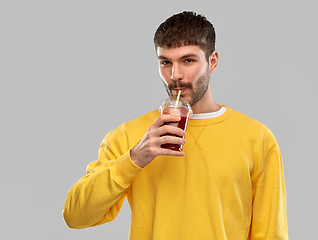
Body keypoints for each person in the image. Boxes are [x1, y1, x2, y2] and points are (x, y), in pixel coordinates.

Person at [63, 11, 289, 239]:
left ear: (212, 61)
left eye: (188, 60)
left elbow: (270, 234)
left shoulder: (257, 138)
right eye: (165, 62)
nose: (175, 75)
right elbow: (75, 216)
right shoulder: (130, 136)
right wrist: (133, 159)